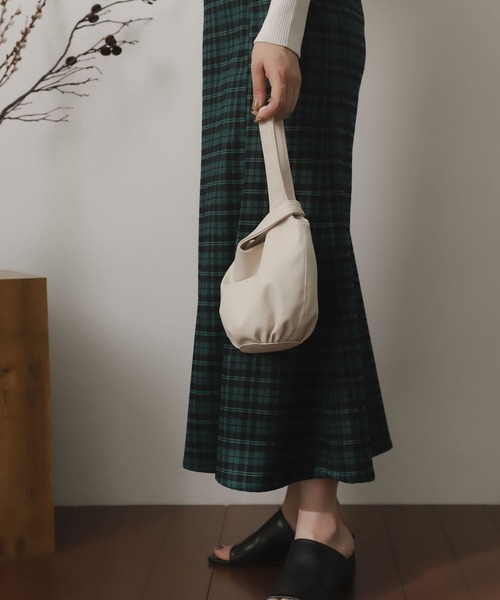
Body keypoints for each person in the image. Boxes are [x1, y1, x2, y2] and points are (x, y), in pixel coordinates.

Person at [183, 0, 393, 598]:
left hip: (287, 21)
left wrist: (281, 29)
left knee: (297, 249)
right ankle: (299, 508)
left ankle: (323, 525)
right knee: (261, 245)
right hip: (240, 25)